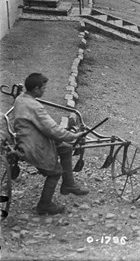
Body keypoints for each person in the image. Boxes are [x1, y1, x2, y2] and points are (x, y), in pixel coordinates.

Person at [13, 73, 88, 215]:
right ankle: (44, 205)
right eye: (43, 88)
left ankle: (68, 184)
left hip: (27, 138)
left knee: (66, 149)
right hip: (33, 145)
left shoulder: (20, 99)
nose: (44, 91)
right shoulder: (35, 106)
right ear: (36, 89)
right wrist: (73, 135)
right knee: (55, 172)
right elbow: (53, 130)